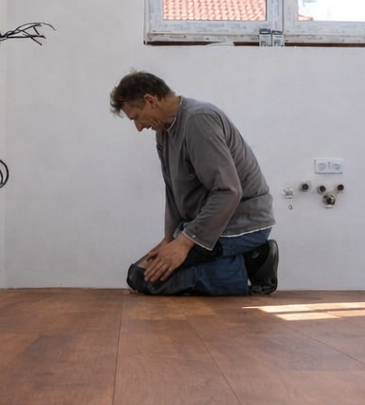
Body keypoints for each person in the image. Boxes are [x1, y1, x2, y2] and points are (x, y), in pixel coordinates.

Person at [110, 71, 279, 297]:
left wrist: (184, 243)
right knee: (136, 274)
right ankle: (246, 258)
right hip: (207, 223)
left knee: (149, 281)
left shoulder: (198, 120)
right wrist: (170, 238)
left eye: (136, 117)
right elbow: (173, 191)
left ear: (151, 100)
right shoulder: (164, 131)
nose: (138, 127)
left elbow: (228, 191)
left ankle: (253, 262)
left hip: (242, 222)